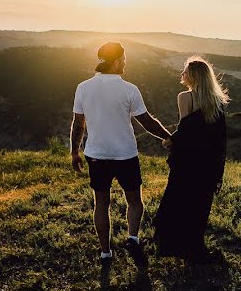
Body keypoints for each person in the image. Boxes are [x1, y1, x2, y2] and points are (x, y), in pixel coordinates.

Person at [70, 42, 172, 275]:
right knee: (134, 200)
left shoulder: (83, 87)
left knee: (101, 204)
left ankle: (105, 252)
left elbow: (78, 123)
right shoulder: (129, 89)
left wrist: (75, 151)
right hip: (125, 155)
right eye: (124, 59)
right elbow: (146, 122)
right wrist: (168, 137)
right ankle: (133, 238)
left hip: (96, 155)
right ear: (116, 61)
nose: (126, 62)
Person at [154, 56, 229, 262]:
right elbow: (217, 136)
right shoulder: (217, 101)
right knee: (199, 203)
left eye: (185, 71)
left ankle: (174, 245)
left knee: (179, 199)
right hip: (207, 161)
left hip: (188, 161)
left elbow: (185, 129)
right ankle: (194, 245)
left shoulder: (185, 98)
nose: (182, 74)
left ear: (193, 77)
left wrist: (169, 142)